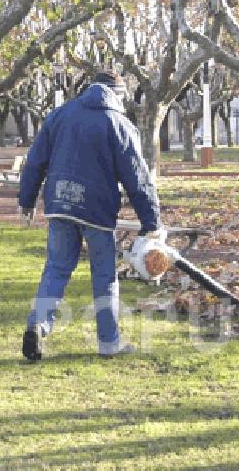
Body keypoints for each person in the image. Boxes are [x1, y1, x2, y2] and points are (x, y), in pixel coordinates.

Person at [18, 71, 161, 361]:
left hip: (59, 202)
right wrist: (151, 221)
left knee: (56, 268)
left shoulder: (59, 115)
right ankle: (108, 343)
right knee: (105, 276)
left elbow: (35, 161)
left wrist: (27, 200)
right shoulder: (119, 124)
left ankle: (38, 324)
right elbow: (138, 177)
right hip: (96, 209)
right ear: (118, 94)